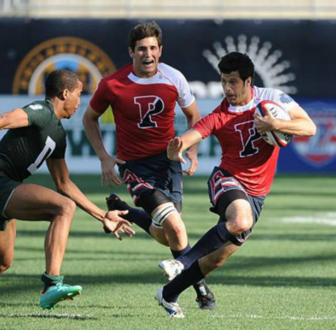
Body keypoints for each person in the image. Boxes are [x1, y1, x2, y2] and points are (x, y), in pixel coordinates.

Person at [0, 69, 135, 323]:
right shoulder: (41, 111)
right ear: (65, 93)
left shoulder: (58, 134)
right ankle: (51, 284)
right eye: (78, 95)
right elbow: (6, 118)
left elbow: (64, 183)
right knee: (63, 207)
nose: (80, 102)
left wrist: (102, 216)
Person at [155, 52, 317, 318]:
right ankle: (181, 261)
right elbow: (195, 133)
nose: (227, 88)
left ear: (248, 81)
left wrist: (275, 124)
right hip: (226, 179)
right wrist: (179, 146)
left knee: (215, 259)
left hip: (257, 194)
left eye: (233, 82)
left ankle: (168, 293)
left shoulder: (273, 100)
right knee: (241, 220)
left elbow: (309, 127)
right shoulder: (220, 115)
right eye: (223, 82)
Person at [82, 21, 215, 310]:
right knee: (176, 228)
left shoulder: (174, 78)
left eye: (153, 48)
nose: (148, 54)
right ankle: (199, 289)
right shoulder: (112, 84)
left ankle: (128, 212)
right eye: (142, 48)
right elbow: (89, 118)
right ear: (131, 51)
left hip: (169, 163)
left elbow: (194, 115)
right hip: (135, 167)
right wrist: (105, 156)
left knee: (165, 232)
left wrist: (192, 149)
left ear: (160, 50)